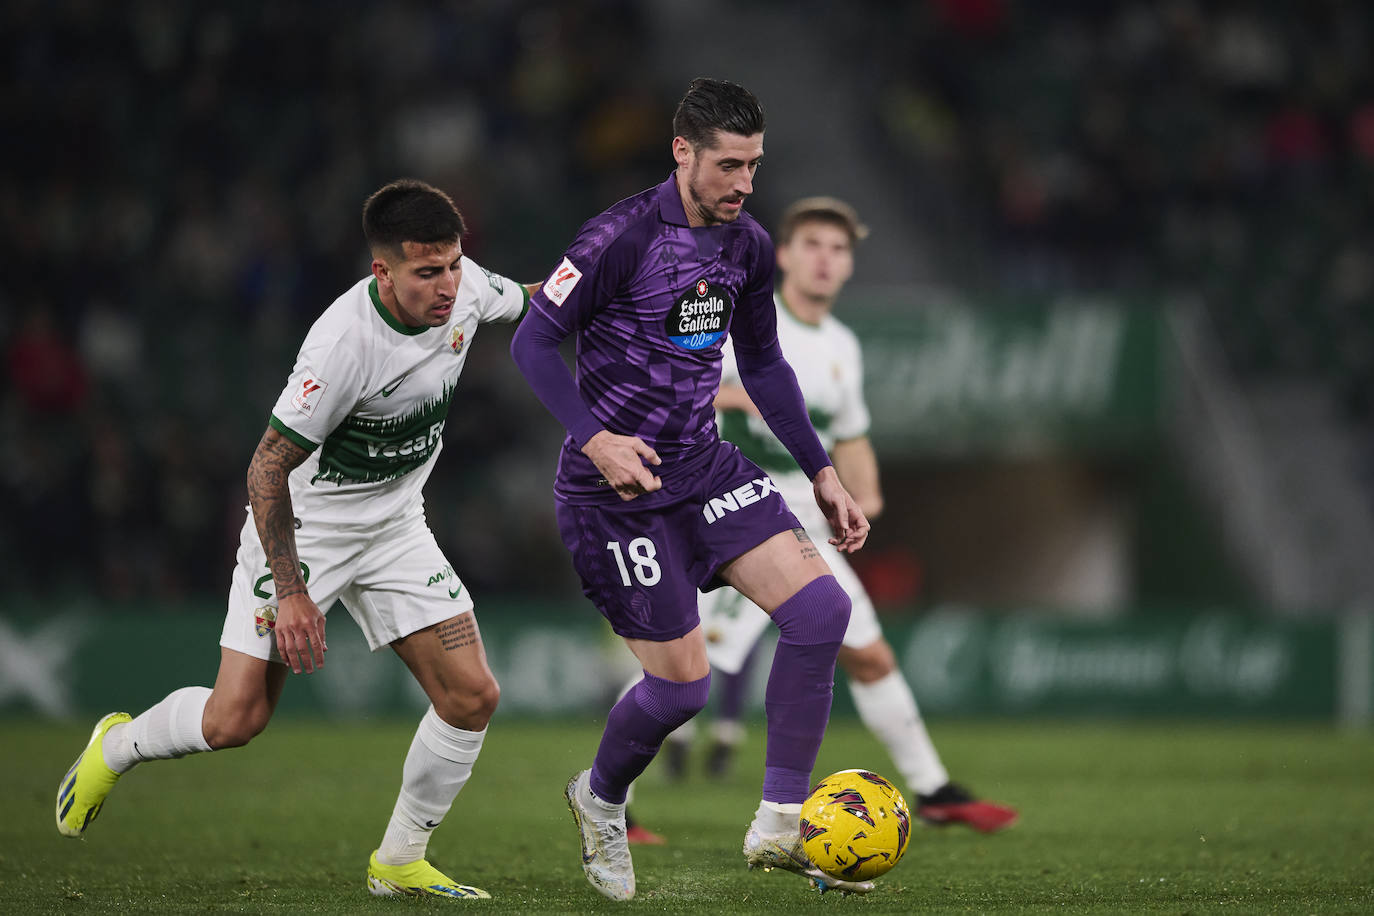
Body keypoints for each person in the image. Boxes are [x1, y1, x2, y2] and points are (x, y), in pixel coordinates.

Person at [55, 179, 534, 900]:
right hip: (306, 530)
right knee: (235, 720)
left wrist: (619, 271)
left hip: (397, 524)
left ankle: (399, 860)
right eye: (427, 272)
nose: (447, 286)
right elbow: (265, 468)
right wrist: (292, 589)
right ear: (384, 272)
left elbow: (536, 297)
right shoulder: (342, 344)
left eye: (454, 265)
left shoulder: (467, 291)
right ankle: (115, 745)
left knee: (472, 696)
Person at [510, 78, 873, 901]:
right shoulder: (617, 238)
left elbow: (768, 366)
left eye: (754, 166)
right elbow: (532, 345)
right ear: (683, 152)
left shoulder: (746, 244)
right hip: (615, 493)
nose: (745, 184)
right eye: (730, 166)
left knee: (821, 611)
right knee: (682, 689)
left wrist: (822, 470)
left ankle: (781, 825)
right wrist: (594, 438)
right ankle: (599, 798)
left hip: (704, 466)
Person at [632, 197, 1019, 836]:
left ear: (848, 267)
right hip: (740, 515)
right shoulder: (740, 320)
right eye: (811, 244)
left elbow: (852, 432)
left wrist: (864, 493)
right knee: (684, 666)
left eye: (838, 250)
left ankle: (935, 790)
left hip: (806, 524)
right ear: (782, 255)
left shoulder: (842, 345)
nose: (824, 259)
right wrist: (749, 399)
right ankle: (610, 797)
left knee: (869, 657)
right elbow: (672, 381)